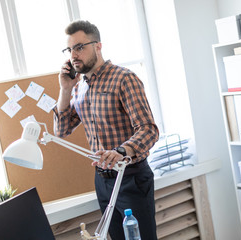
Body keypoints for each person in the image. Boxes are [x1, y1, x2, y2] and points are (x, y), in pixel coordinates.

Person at [53, 20, 159, 240]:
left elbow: (149, 129)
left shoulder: (124, 79)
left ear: (98, 46)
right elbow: (61, 131)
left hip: (130, 177)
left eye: (80, 47)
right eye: (70, 49)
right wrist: (65, 90)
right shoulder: (79, 87)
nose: (74, 55)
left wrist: (120, 151)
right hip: (102, 180)